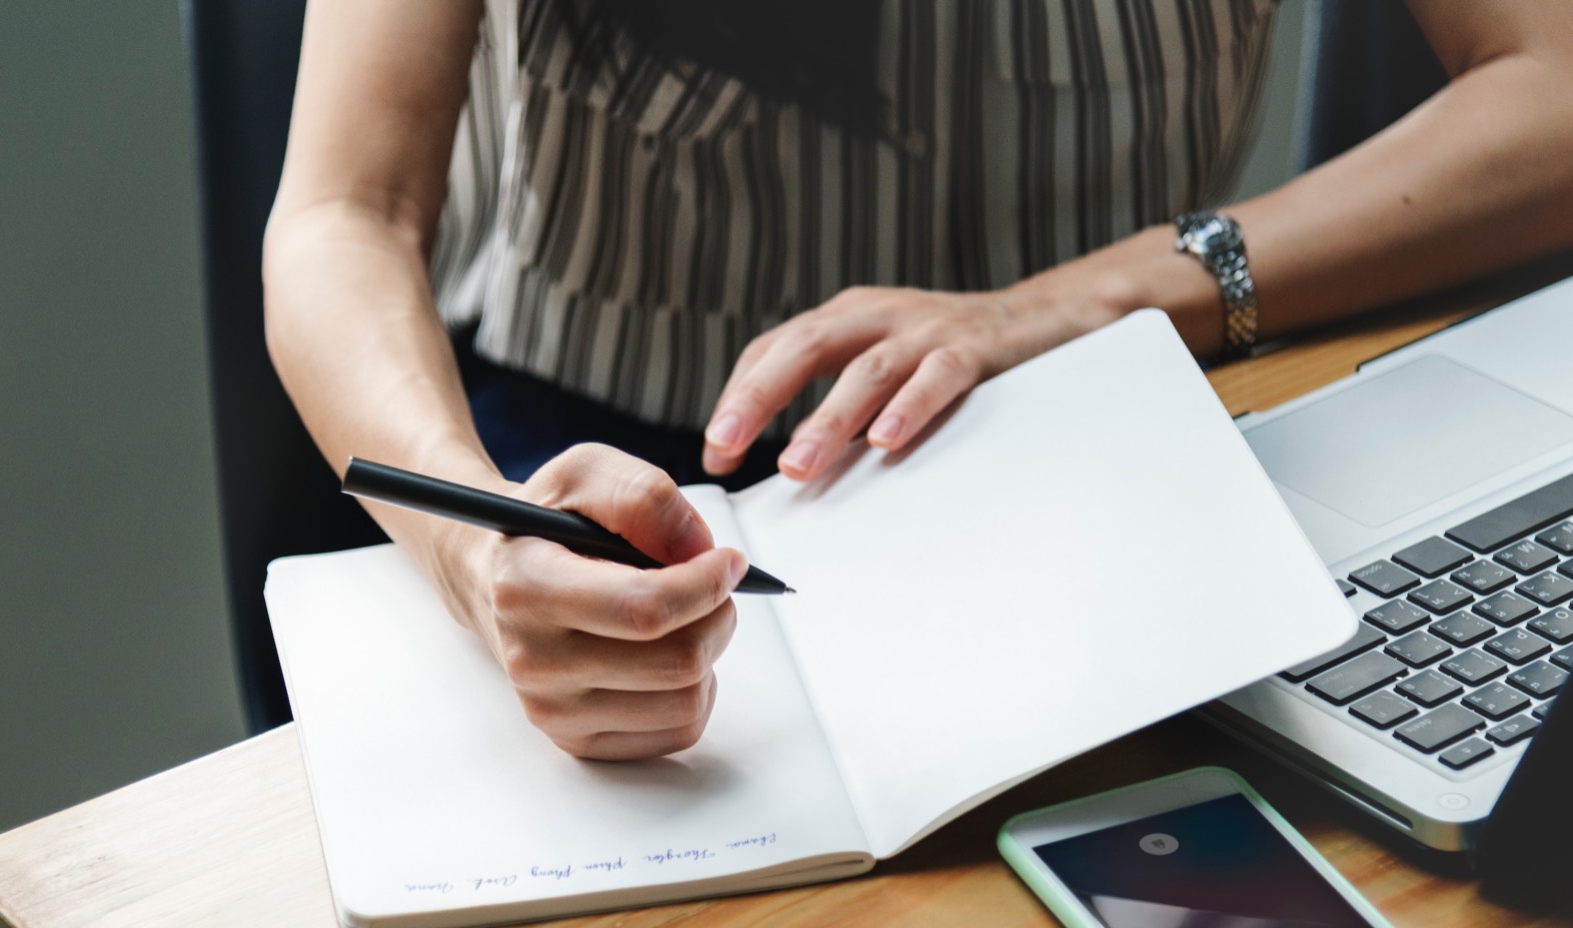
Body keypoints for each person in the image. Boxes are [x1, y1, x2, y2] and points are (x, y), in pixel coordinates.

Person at [263, 0, 1573, 761]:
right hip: (599, 490)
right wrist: (470, 552)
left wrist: (1101, 296)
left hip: (1118, 459)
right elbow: (341, 219)